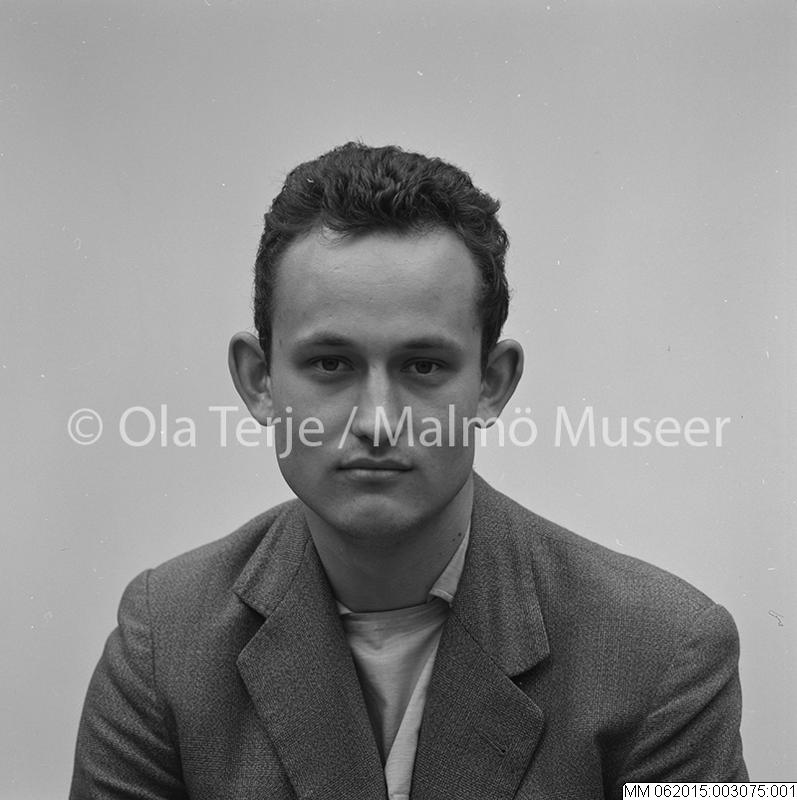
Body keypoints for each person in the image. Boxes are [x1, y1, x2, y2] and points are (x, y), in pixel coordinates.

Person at [70, 142, 747, 799]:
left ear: (491, 383)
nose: (377, 420)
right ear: (259, 380)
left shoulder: (668, 650)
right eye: (330, 364)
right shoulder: (162, 642)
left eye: (423, 366)